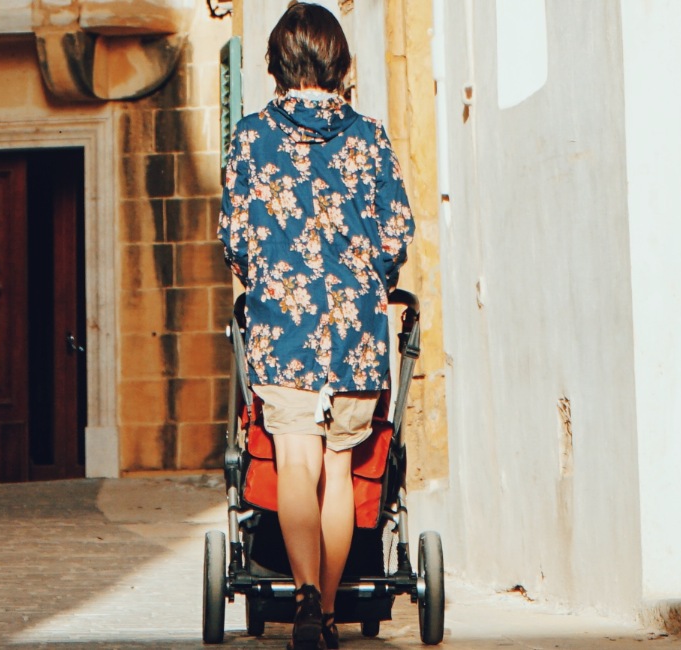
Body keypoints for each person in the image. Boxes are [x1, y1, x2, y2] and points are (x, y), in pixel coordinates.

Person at [217, 3, 414, 648]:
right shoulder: (370, 137)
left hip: (283, 330)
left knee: (296, 463)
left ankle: (301, 597)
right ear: (337, 62)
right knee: (339, 468)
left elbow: (235, 241)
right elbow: (396, 236)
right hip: (356, 334)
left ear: (277, 62)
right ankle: (327, 612)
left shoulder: (250, 138)